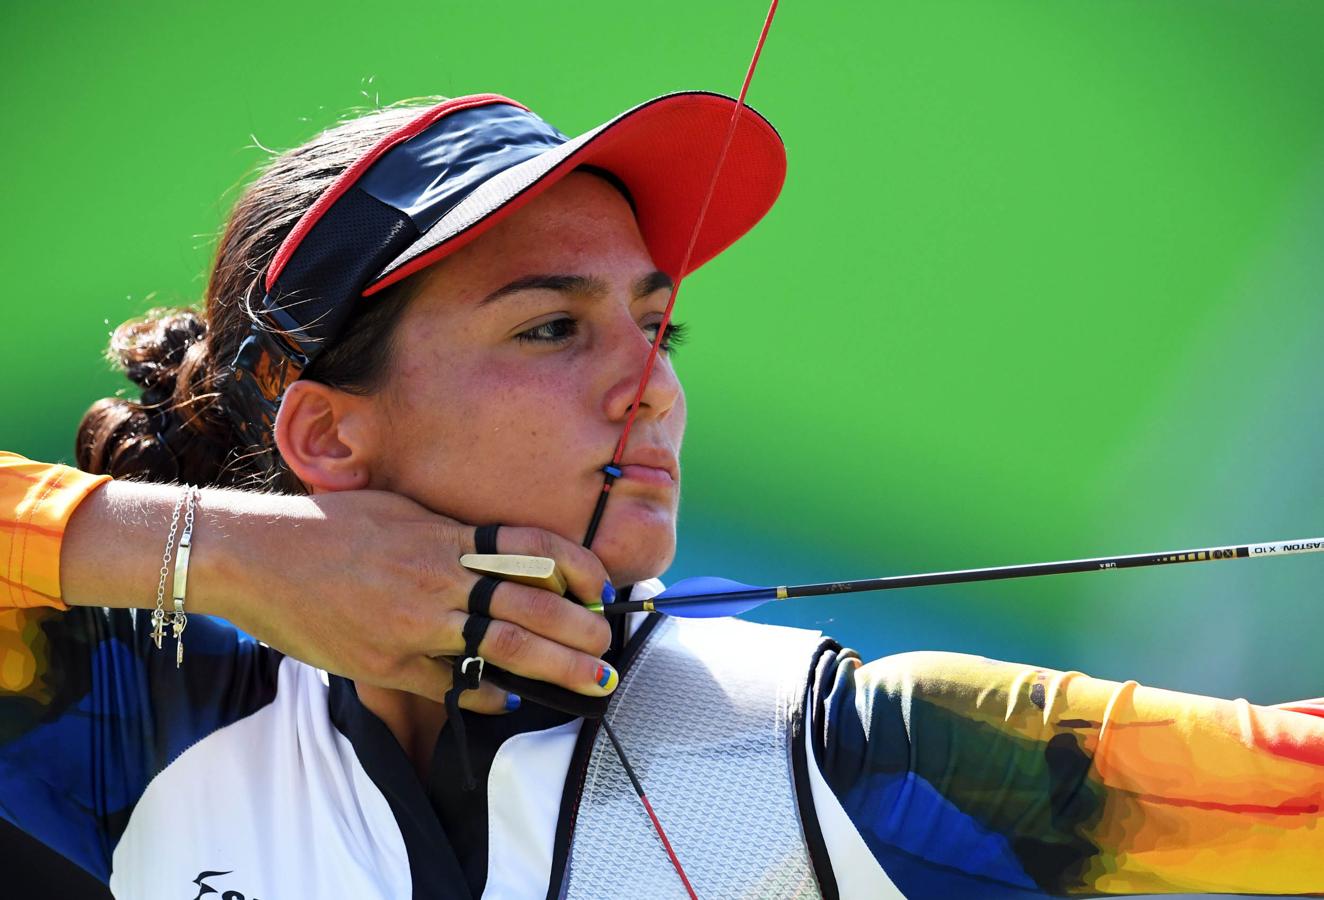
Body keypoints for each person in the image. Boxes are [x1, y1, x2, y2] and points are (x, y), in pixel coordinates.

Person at [2, 90, 1322, 900]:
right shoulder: (148, 720)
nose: (652, 388)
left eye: (660, 328)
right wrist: (219, 559)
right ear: (328, 437)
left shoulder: (837, 756)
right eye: (550, 330)